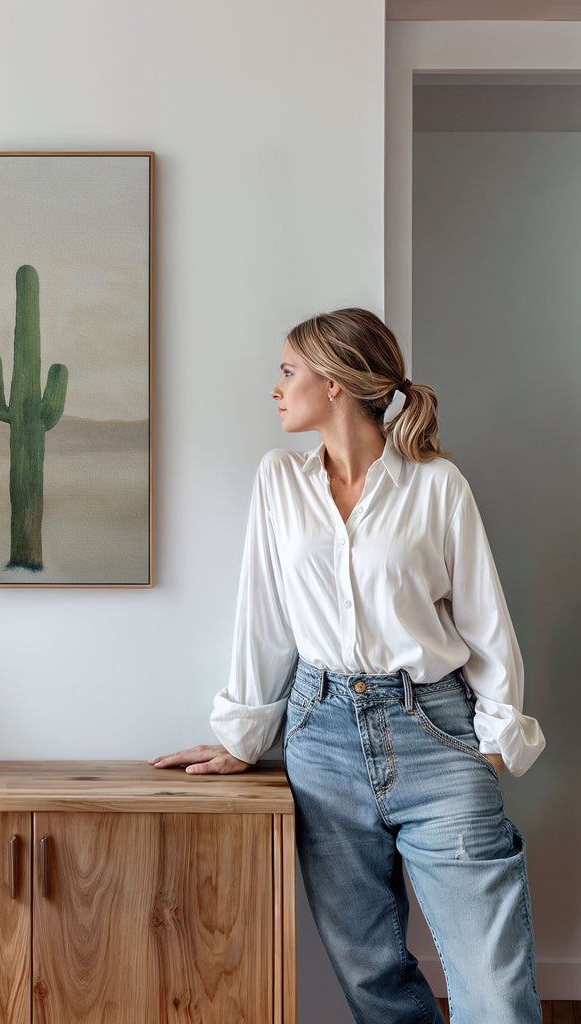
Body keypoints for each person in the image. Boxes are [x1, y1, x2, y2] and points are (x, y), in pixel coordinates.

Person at [151, 308, 545, 1024]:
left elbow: (486, 622)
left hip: (436, 729)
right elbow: (262, 617)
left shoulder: (437, 486)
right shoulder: (279, 481)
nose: (276, 388)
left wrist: (493, 741)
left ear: (334, 384)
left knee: (494, 989)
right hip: (320, 735)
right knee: (372, 979)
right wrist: (244, 737)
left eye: (287, 371)